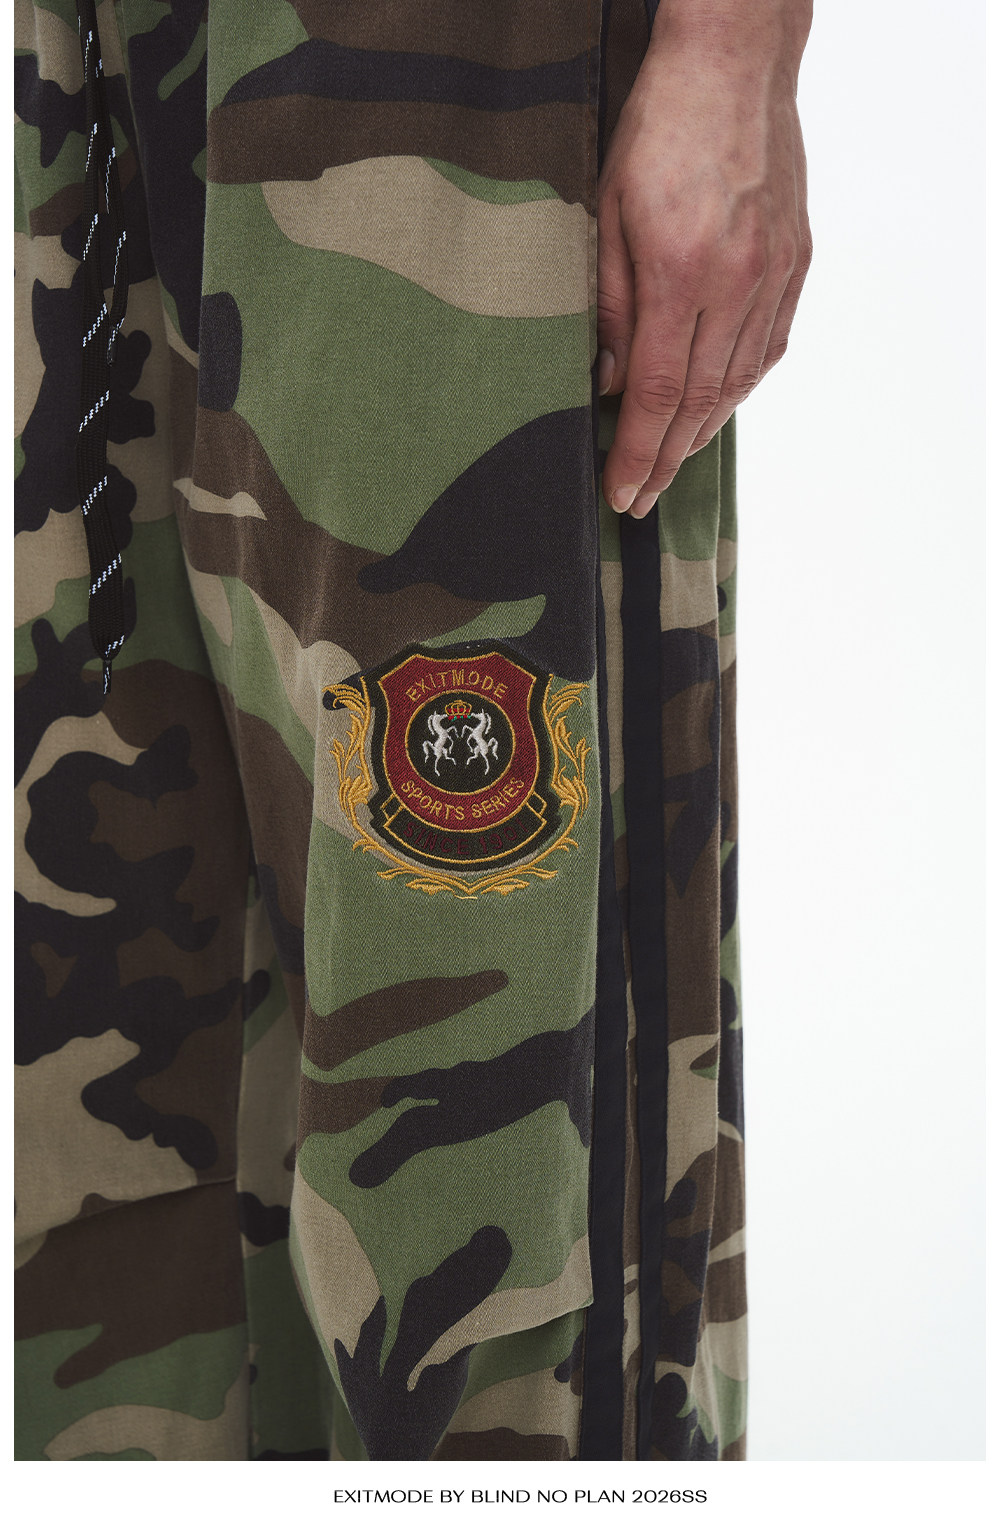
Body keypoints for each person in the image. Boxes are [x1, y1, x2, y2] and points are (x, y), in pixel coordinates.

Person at [13, 0, 810, 1461]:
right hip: (112, 52)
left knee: (485, 1118)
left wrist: (728, 48)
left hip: (468, 72)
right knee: (135, 1016)